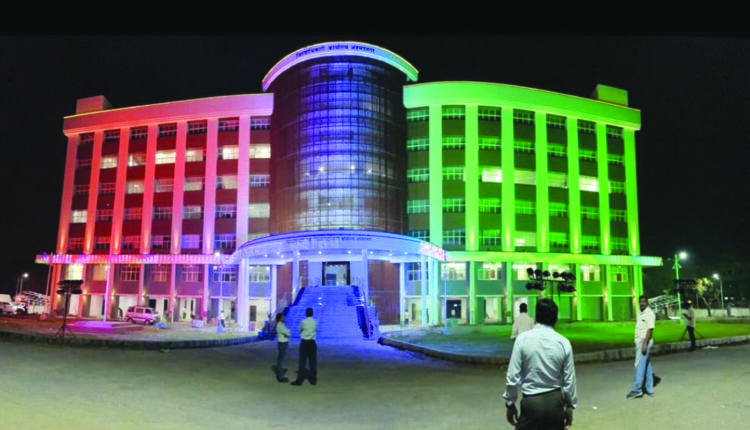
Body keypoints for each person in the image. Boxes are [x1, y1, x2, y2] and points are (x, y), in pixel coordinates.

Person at [502, 299, 577, 429]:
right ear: (555, 319)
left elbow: (512, 377)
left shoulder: (522, 340)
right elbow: (569, 381)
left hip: (531, 403)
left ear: (536, 316)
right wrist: (569, 408)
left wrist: (510, 403)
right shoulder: (563, 343)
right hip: (555, 404)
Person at [627, 295, 656, 399]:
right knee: (646, 365)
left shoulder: (650, 313)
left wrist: (644, 343)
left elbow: (650, 329)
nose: (642, 303)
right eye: (640, 302)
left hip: (644, 341)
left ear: (647, 302)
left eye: (643, 301)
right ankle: (650, 389)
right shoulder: (640, 313)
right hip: (640, 341)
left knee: (639, 365)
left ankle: (637, 390)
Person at [291, 307, 317, 386]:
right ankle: (313, 379)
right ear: (312, 313)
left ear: (306, 313)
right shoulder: (315, 322)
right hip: (312, 342)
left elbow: (300, 330)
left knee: (302, 361)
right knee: (312, 361)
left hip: (304, 342)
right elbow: (315, 329)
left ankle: (299, 380)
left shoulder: (303, 322)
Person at [274, 313, 290, 382]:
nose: (284, 318)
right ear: (280, 319)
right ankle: (280, 376)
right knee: (281, 360)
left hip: (282, 343)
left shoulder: (281, 325)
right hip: (282, 343)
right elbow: (288, 333)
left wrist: (287, 331)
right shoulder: (280, 326)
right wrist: (288, 330)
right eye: (283, 318)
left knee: (280, 359)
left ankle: (280, 374)